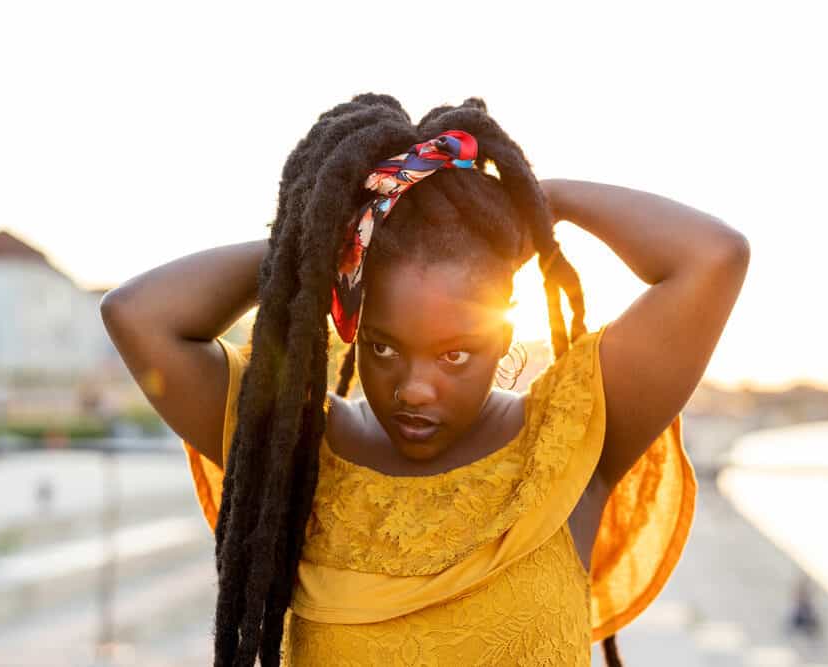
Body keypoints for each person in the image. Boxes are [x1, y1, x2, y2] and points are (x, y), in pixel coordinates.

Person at [101, 94, 749, 666]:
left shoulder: (571, 439)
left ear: (502, 337)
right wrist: (316, 237)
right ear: (351, 323)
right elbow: (139, 316)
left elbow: (713, 258)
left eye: (455, 355)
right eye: (384, 346)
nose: (413, 387)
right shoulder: (297, 451)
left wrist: (543, 201)